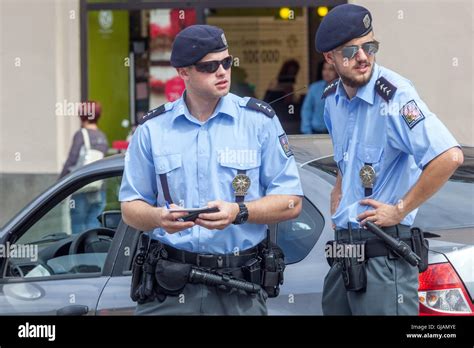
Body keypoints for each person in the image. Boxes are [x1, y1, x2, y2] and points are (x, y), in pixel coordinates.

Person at [119, 24, 303, 315]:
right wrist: (158, 217)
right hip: (170, 288)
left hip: (238, 287)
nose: (222, 71)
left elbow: (292, 202)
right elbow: (130, 207)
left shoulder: (259, 122)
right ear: (183, 72)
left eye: (227, 62)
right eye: (210, 66)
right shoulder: (153, 129)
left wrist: (239, 212)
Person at [315, 4, 463, 315]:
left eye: (370, 47)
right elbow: (348, 153)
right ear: (329, 58)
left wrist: (400, 209)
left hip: (383, 257)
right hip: (344, 253)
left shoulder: (396, 97)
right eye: (351, 51)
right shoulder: (332, 100)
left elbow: (449, 156)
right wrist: (340, 185)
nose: (363, 57)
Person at [59, 101, 109, 234]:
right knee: (93, 227)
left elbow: (72, 160)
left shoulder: (81, 134)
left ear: (82, 115)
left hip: (81, 187)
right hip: (99, 189)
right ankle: (92, 253)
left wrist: (60, 182)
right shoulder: (102, 136)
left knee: (77, 229)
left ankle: (77, 254)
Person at [300, 61, 337, 134]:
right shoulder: (314, 88)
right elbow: (306, 110)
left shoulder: (343, 89)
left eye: (331, 69)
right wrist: (307, 133)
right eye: (324, 69)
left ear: (337, 71)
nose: (326, 72)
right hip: (316, 132)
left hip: (336, 134)